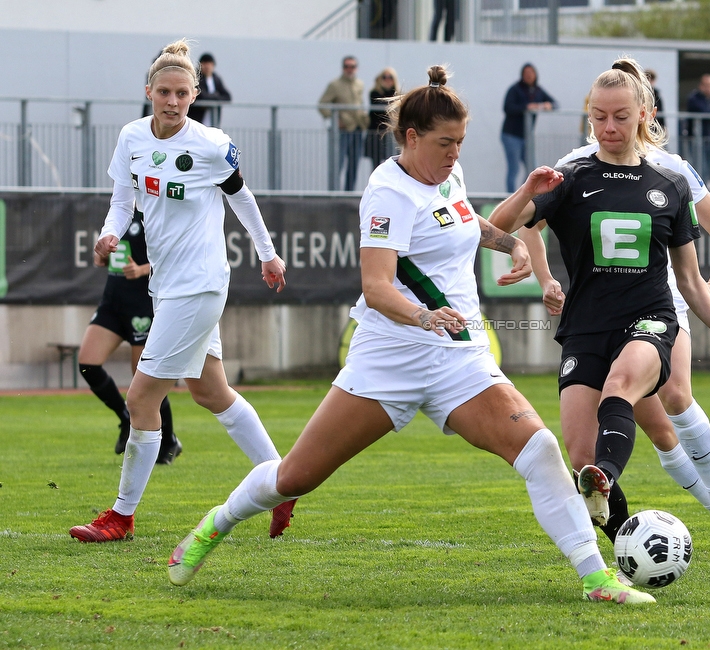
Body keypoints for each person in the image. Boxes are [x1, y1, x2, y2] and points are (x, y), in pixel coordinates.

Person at [167, 64, 654, 606]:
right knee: (296, 477)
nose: (455, 154)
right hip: (390, 357)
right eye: (446, 143)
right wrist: (425, 318)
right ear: (411, 137)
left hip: (458, 359)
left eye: (461, 143)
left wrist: (510, 243)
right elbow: (376, 287)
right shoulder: (387, 193)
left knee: (539, 450)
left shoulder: (448, 173)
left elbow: (466, 223)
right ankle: (217, 523)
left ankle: (595, 579)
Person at [487, 59, 710, 553]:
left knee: (669, 394)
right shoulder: (572, 171)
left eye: (620, 116)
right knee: (604, 445)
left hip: (656, 312)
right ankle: (624, 535)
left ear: (645, 113)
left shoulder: (672, 175)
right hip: (589, 321)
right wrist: (544, 275)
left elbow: (698, 260)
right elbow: (508, 225)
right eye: (599, 116)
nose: (609, 126)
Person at [69, 39, 296, 544]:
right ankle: (284, 481)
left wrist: (267, 253)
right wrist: (110, 232)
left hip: (200, 285)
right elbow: (122, 200)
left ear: (195, 95)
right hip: (168, 286)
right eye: (164, 92)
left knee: (141, 397)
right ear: (148, 91)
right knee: (211, 392)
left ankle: (121, 517)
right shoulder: (131, 138)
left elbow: (243, 199)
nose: (173, 101)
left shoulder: (211, 144)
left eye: (182, 93)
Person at [78, 209, 181, 465]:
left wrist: (143, 269)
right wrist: (101, 257)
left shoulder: (157, 211)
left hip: (141, 305)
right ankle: (125, 418)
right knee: (88, 364)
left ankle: (168, 440)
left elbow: (176, 256)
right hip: (112, 303)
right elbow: (108, 253)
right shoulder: (118, 213)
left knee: (145, 378)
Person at [501, 63, 557, 193]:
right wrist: (527, 107)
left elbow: (555, 103)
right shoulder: (515, 89)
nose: (529, 76)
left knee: (532, 167)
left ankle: (523, 195)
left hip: (527, 136)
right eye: (526, 73)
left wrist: (547, 105)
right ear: (522, 75)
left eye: (531, 73)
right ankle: (509, 198)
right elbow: (508, 108)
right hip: (511, 135)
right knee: (513, 169)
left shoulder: (538, 90)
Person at [319, 56, 370, 191]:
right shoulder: (335, 85)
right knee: (338, 163)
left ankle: (349, 192)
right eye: (347, 66)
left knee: (354, 165)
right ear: (343, 68)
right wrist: (335, 119)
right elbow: (322, 105)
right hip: (343, 130)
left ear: (356, 68)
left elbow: (360, 104)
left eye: (352, 66)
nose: (349, 69)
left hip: (358, 129)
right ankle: (334, 192)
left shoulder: (360, 84)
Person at [365, 67, 399, 170]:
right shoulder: (374, 93)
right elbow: (380, 106)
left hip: (391, 134)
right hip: (376, 133)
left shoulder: (397, 94)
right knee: (376, 165)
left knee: (393, 163)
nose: (388, 80)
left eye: (390, 77)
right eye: (385, 77)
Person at [186, 53, 231, 128]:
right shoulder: (196, 77)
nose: (207, 66)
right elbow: (200, 95)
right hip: (197, 118)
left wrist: (212, 98)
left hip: (213, 120)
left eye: (209, 64)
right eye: (204, 63)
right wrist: (216, 96)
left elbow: (227, 96)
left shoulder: (216, 79)